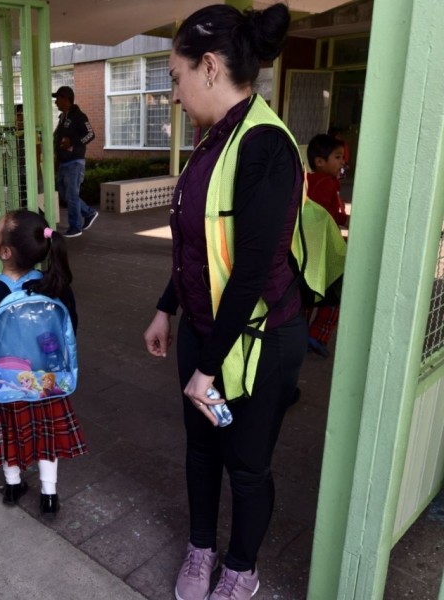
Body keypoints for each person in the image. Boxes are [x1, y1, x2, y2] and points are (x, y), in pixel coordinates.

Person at [142, 4, 306, 599]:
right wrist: (167, 306)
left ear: (208, 67)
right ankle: (201, 547)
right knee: (202, 448)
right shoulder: (217, 136)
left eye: (174, 76)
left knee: (247, 462)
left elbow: (250, 271)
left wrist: (208, 368)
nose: (175, 92)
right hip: (205, 329)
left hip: (257, 340)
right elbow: (197, 243)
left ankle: (241, 567)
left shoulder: (264, 145)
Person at [0, 209, 87, 518]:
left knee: (8, 434)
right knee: (47, 437)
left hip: (6, 382)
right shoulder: (54, 284)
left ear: (4, 252)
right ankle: (49, 494)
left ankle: (13, 485)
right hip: (48, 382)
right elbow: (71, 326)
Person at [304, 133, 348, 357]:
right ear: (320, 162)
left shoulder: (308, 180)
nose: (343, 161)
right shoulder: (327, 183)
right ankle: (317, 335)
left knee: (306, 294)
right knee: (334, 296)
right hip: (324, 249)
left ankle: (297, 333)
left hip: (307, 250)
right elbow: (323, 215)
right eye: (338, 157)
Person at [52, 86, 98, 238]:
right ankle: (89, 212)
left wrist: (73, 143)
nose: (55, 102)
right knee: (65, 194)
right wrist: (56, 160)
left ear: (66, 99)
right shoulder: (63, 117)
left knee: (71, 194)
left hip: (75, 163)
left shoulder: (79, 116)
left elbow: (90, 134)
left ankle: (75, 227)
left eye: (58, 98)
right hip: (64, 163)